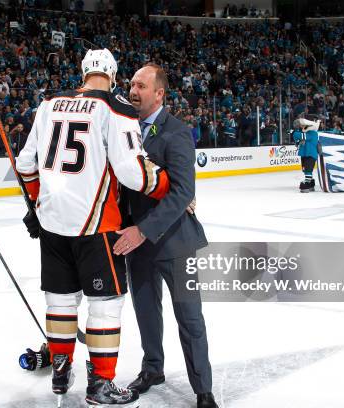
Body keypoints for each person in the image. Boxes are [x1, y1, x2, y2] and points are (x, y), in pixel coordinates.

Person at [16, 49, 169, 407]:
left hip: (53, 226)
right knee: (104, 306)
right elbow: (133, 172)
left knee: (60, 303)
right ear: (113, 75)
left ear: (82, 72)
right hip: (97, 226)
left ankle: (59, 372)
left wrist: (38, 204)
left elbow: (26, 164)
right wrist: (167, 184)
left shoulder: (48, 103)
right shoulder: (115, 108)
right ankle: (100, 385)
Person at [116, 63, 217, 408]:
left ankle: (203, 390)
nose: (133, 90)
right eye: (131, 84)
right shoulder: (123, 129)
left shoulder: (176, 131)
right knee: (146, 313)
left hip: (176, 244)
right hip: (136, 246)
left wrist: (143, 230)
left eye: (141, 86)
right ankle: (152, 369)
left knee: (190, 319)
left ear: (159, 93)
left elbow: (182, 192)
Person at [292, 116, 321, 192]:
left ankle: (307, 182)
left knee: (308, 169)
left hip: (311, 154)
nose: (302, 127)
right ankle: (310, 182)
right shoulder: (305, 132)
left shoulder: (313, 133)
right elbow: (297, 140)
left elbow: (302, 136)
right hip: (305, 154)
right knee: (305, 169)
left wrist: (294, 132)